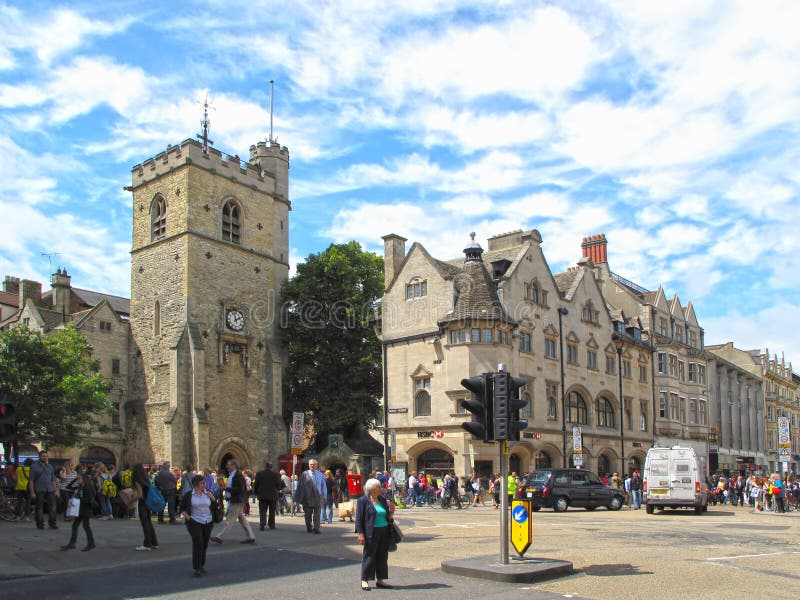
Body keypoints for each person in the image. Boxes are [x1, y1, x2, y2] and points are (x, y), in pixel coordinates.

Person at [356, 478, 395, 591]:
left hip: (384, 530)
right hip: (371, 531)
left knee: (382, 556)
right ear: (371, 489)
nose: (380, 489)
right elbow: (359, 519)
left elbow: (388, 517)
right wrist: (360, 533)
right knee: (369, 555)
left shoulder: (382, 500)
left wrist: (392, 512)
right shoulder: (363, 500)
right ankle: (365, 579)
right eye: (378, 487)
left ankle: (380, 579)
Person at [210, 458, 256, 544]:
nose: (227, 466)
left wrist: (227, 488)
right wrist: (224, 486)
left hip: (237, 500)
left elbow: (240, 489)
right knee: (242, 519)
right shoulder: (232, 475)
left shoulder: (238, 475)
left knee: (230, 519)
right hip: (234, 499)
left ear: (234, 466)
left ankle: (220, 537)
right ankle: (251, 536)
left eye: (229, 465)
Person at [180, 474, 216, 577]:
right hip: (194, 521)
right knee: (198, 542)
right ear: (196, 485)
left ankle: (202, 564)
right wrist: (188, 518)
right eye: (202, 483)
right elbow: (181, 508)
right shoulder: (189, 495)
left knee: (204, 544)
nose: (205, 484)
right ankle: (197, 567)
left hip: (207, 521)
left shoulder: (208, 493)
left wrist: (213, 499)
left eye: (204, 483)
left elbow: (215, 506)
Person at [60, 473, 96, 552]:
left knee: (86, 526)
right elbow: (68, 487)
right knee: (74, 526)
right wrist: (75, 480)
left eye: (79, 479)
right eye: (78, 479)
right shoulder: (80, 487)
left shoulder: (88, 487)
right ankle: (72, 544)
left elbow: (90, 499)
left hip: (86, 510)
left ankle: (91, 543)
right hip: (80, 510)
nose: (78, 480)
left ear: (84, 479)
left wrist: (80, 498)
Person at [29, 450, 59, 530]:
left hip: (50, 489)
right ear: (39, 457)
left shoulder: (50, 466)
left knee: (53, 507)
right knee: (39, 507)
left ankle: (52, 524)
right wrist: (32, 492)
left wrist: (56, 490)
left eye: (46, 456)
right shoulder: (34, 466)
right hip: (38, 489)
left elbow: (53, 479)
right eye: (43, 456)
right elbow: (31, 480)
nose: (44, 457)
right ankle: (40, 524)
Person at [294, 459, 326, 533]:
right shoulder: (304, 474)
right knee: (308, 513)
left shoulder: (320, 475)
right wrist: (299, 497)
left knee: (317, 513)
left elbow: (323, 486)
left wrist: (325, 496)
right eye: (311, 464)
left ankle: (316, 528)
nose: (312, 466)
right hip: (307, 497)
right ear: (309, 465)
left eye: (314, 464)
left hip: (318, 496)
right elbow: (300, 486)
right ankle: (309, 526)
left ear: (316, 465)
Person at [132, 463, 159, 551]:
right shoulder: (146, 478)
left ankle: (147, 544)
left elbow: (140, 495)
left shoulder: (137, 479)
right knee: (149, 522)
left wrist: (131, 500)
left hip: (143, 502)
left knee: (145, 523)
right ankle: (154, 542)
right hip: (148, 501)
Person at [253, 460, 282, 531]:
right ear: (271, 467)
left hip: (262, 495)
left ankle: (262, 524)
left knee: (262, 511)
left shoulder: (259, 474)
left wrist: (256, 492)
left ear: (265, 466)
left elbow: (256, 484)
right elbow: (279, 485)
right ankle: (271, 524)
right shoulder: (276, 474)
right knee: (272, 511)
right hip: (273, 495)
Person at [15, 458, 32, 522]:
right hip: (27, 488)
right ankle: (26, 517)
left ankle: (17, 517)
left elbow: (16, 479)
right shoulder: (31, 470)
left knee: (19, 502)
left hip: (19, 487)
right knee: (28, 503)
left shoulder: (18, 469)